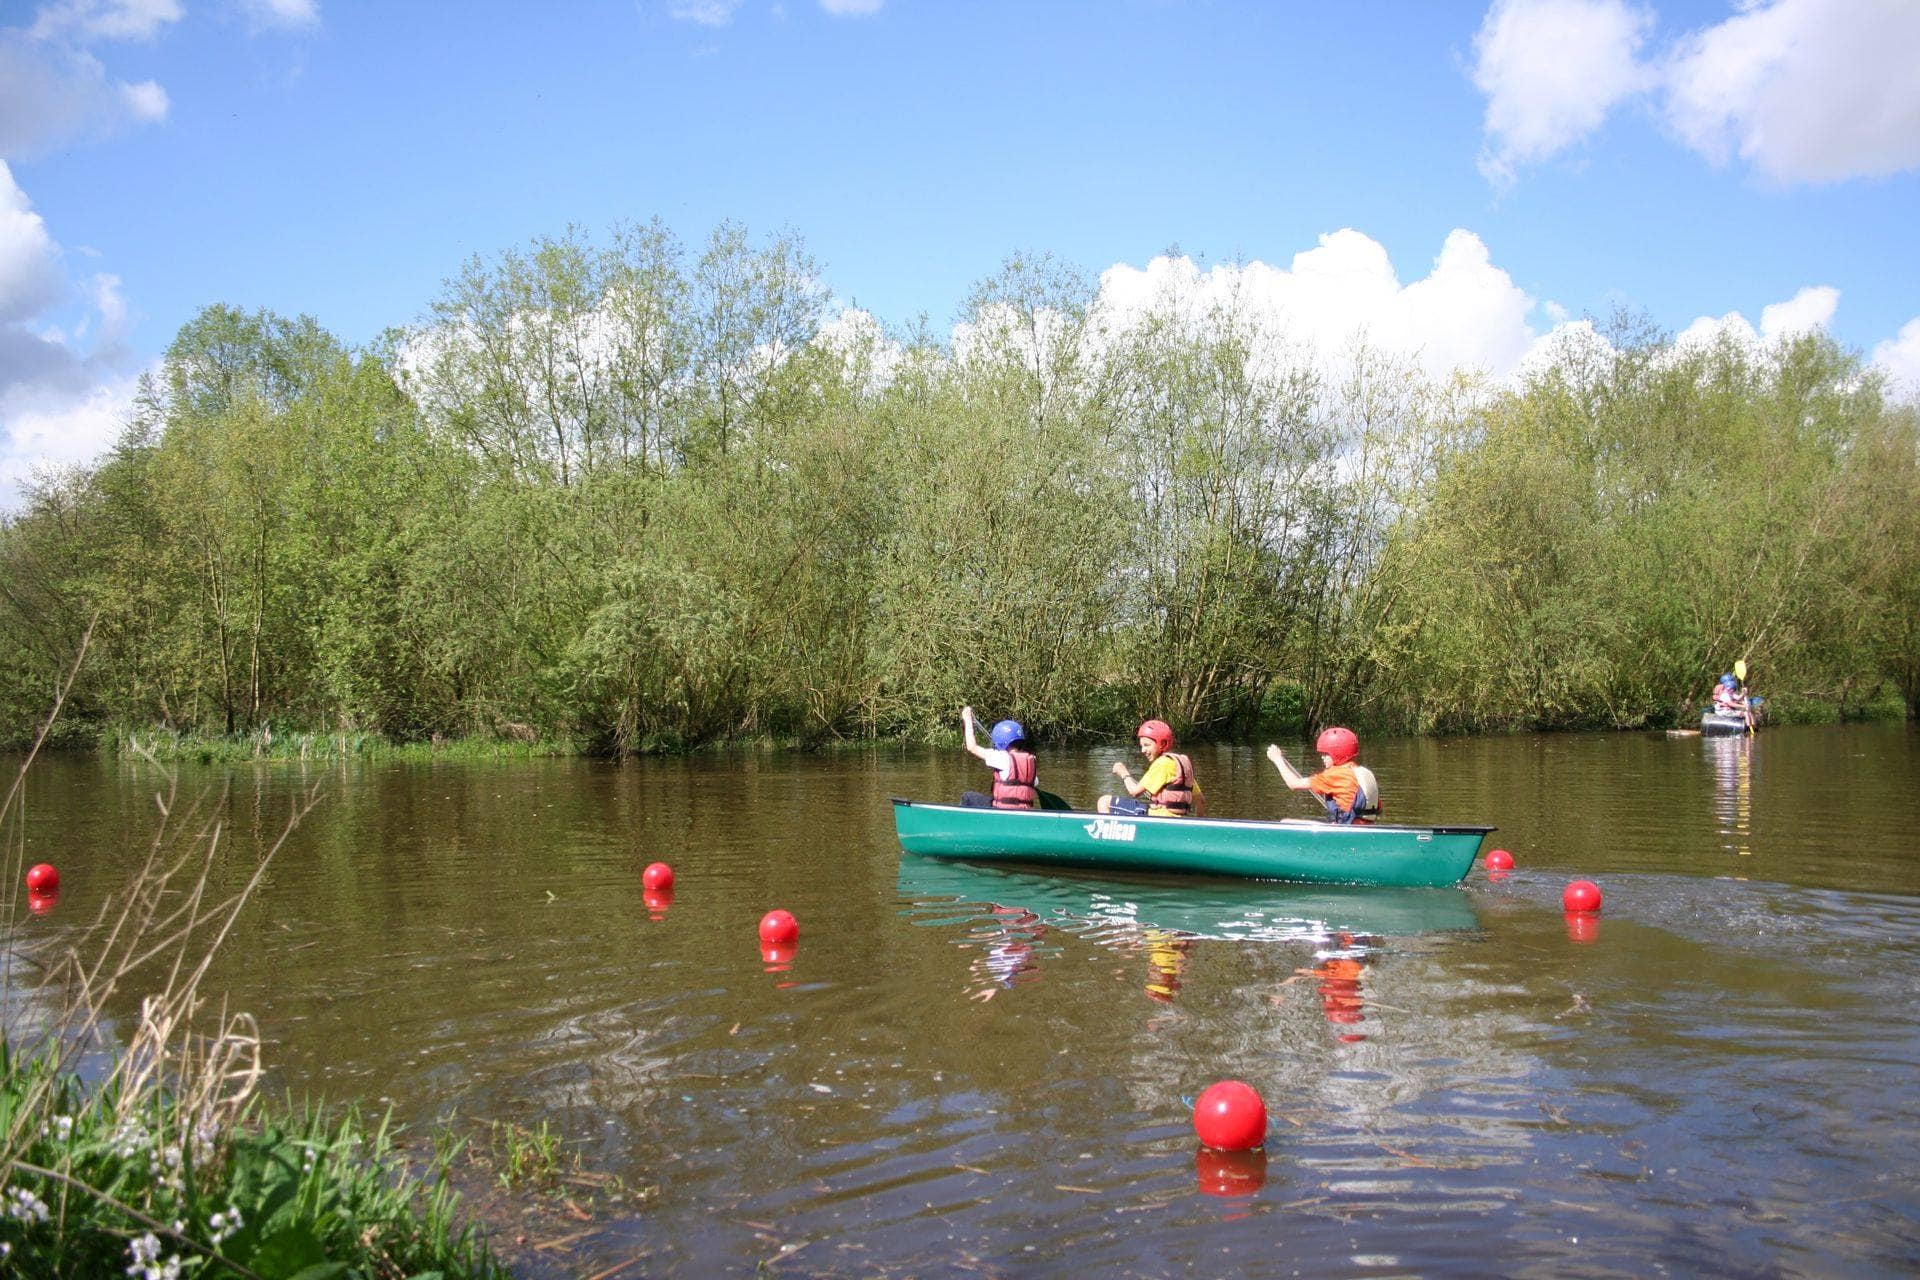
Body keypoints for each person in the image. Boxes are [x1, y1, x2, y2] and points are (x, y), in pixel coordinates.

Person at [1267, 727, 1378, 824]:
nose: (1322, 757)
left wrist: (1277, 759)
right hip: (1366, 827)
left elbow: (1293, 784)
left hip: (1344, 830)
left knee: (1285, 822)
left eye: (1326, 754)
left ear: (1337, 753)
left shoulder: (1334, 774)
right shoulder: (1365, 773)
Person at [1097, 719, 1203, 817]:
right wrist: (1196, 826)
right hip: (1179, 819)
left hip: (1159, 818)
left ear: (1162, 744)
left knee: (1104, 801)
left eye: (1147, 745)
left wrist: (1123, 773)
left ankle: (1107, 838)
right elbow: (1201, 801)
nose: (1143, 750)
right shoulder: (1181, 764)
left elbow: (1134, 792)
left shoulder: (1161, 764)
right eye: (1142, 746)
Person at [959, 706, 1040, 809]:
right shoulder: (1030, 762)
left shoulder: (1001, 757)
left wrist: (967, 720)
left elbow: (972, 747)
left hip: (1003, 811)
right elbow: (1035, 782)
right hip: (1023, 812)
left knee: (968, 797)